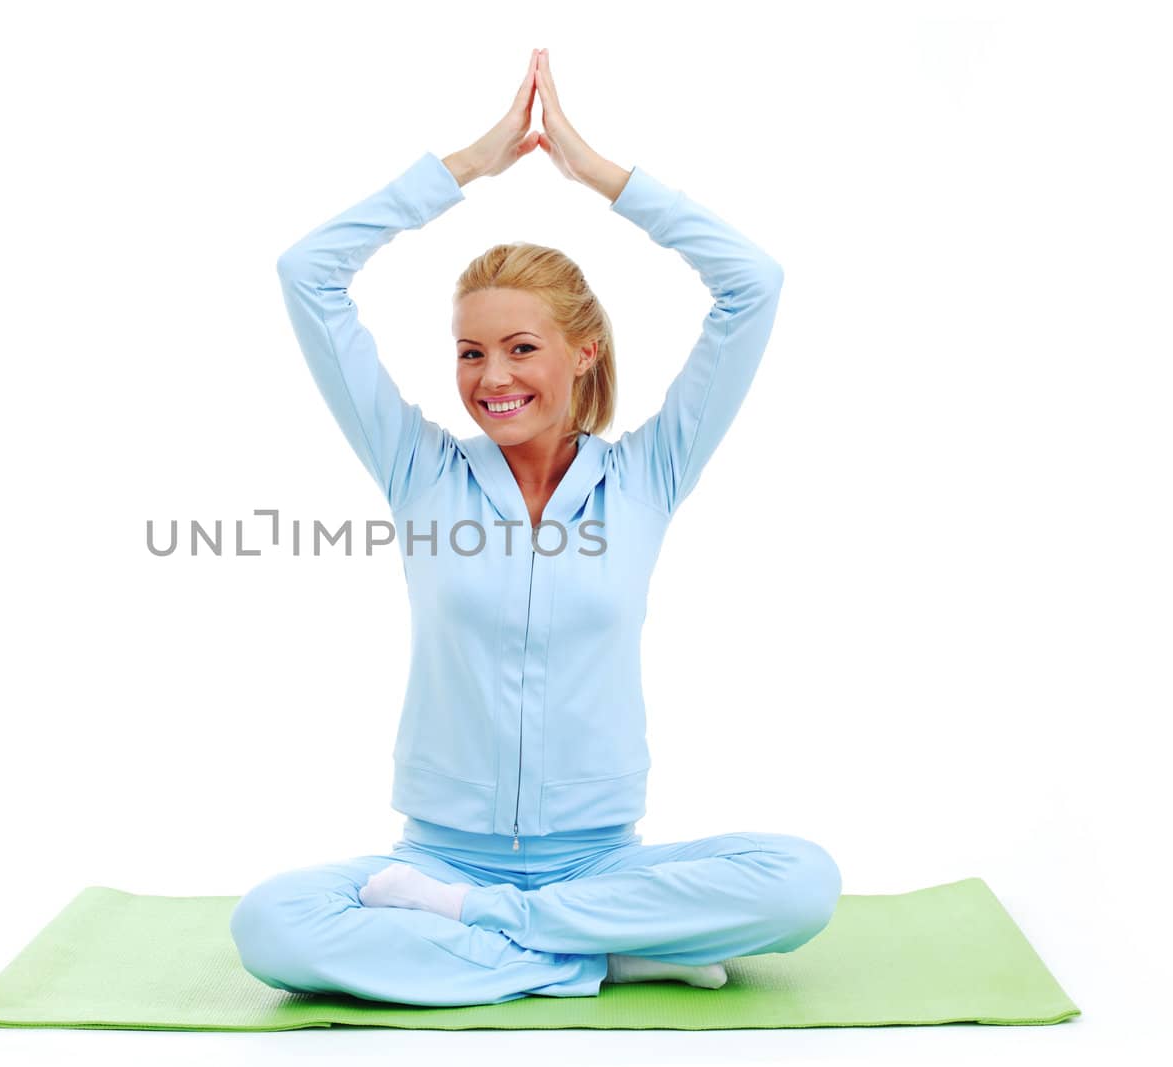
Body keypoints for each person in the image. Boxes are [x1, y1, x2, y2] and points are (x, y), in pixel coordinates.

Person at [229, 48, 841, 1007]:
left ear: (583, 352)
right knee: (269, 924)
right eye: (471, 352)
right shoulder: (420, 469)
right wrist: (463, 167)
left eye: (522, 348)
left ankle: (498, 938)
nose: (492, 378)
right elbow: (306, 274)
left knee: (803, 880)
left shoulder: (647, 472)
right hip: (437, 858)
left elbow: (751, 284)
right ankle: (608, 953)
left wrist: (602, 178)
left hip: (599, 863)